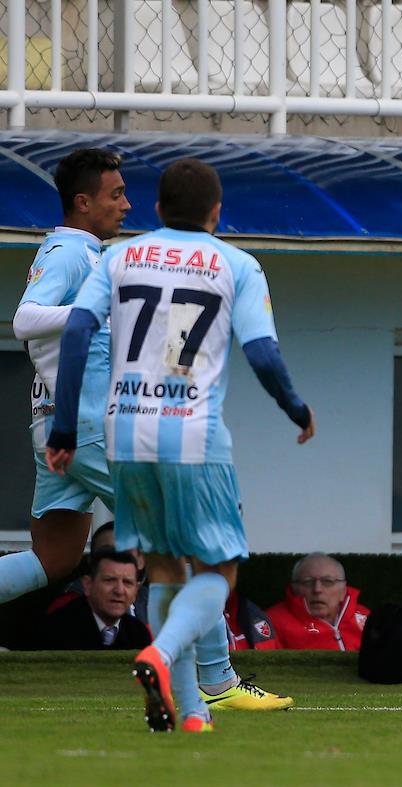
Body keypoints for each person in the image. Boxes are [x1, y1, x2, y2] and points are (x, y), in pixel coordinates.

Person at [46, 158, 315, 733]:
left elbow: (74, 332)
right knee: (219, 569)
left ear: (160, 209)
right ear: (217, 213)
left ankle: (193, 711)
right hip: (194, 434)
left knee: (166, 569)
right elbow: (262, 353)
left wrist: (63, 430)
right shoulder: (236, 263)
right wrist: (296, 408)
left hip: (124, 430)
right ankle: (161, 654)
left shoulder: (118, 256)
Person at [1, 149, 127, 607]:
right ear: (83, 202)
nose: (125, 205)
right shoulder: (69, 251)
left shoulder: (89, 255)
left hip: (59, 428)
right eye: (115, 194)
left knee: (53, 558)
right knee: (180, 536)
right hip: (86, 430)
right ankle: (217, 679)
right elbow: (24, 320)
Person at [32, 549, 151, 650]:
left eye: (127, 583)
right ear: (88, 585)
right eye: (109, 580)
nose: (119, 590)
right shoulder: (55, 630)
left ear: (136, 591)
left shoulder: (139, 634)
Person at [267, 553, 370, 651]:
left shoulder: (366, 617)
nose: (317, 589)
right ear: (295, 587)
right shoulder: (272, 623)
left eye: (327, 582)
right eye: (308, 582)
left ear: (343, 589)